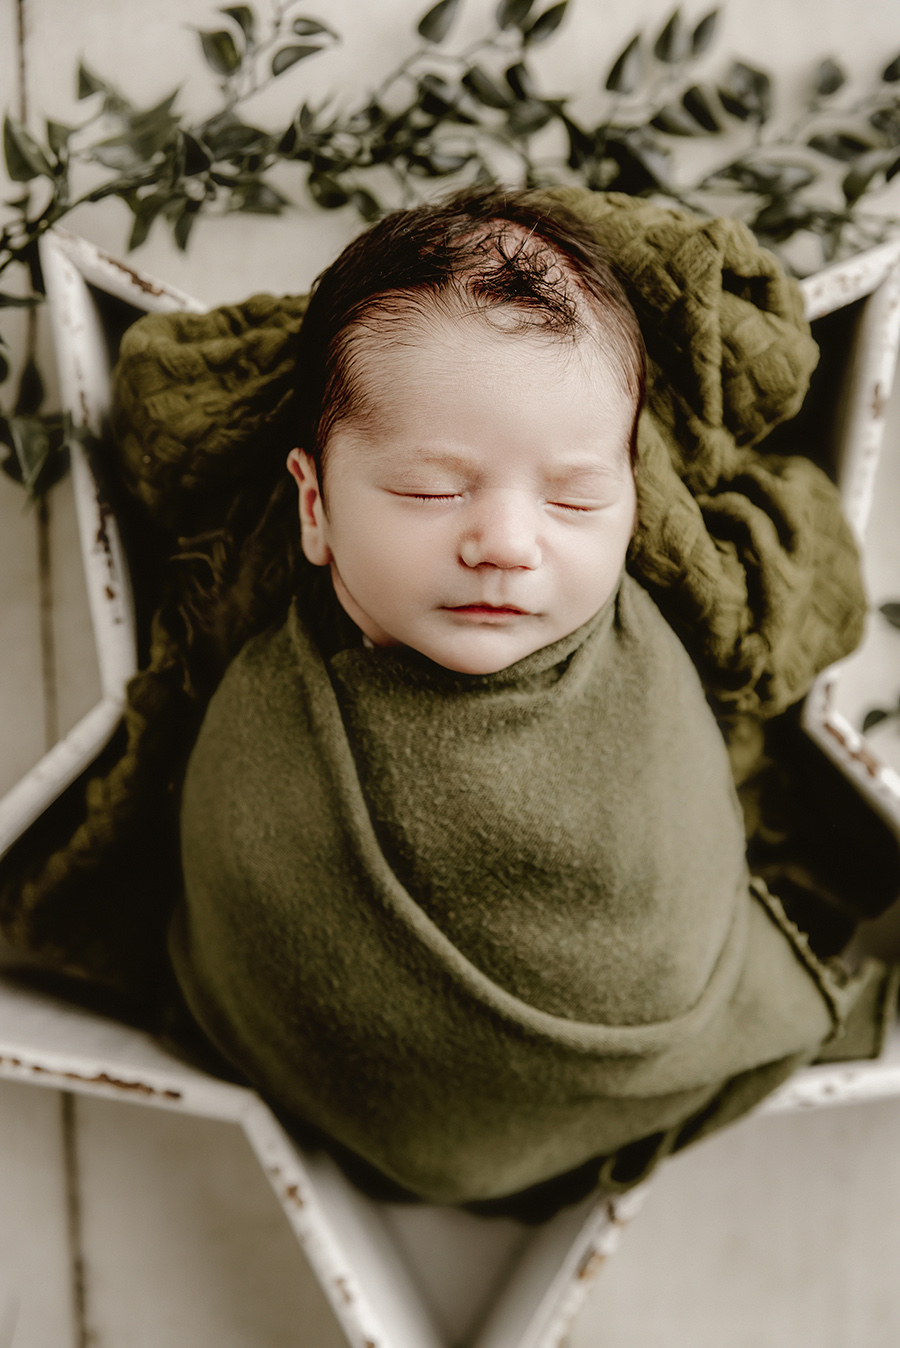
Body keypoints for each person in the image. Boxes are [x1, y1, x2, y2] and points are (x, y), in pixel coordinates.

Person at [164, 188, 898, 1212]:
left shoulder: (654, 641)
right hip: (356, 1093)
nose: (506, 542)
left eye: (575, 498)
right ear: (316, 505)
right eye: (429, 490)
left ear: (633, 501)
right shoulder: (265, 719)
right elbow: (238, 894)